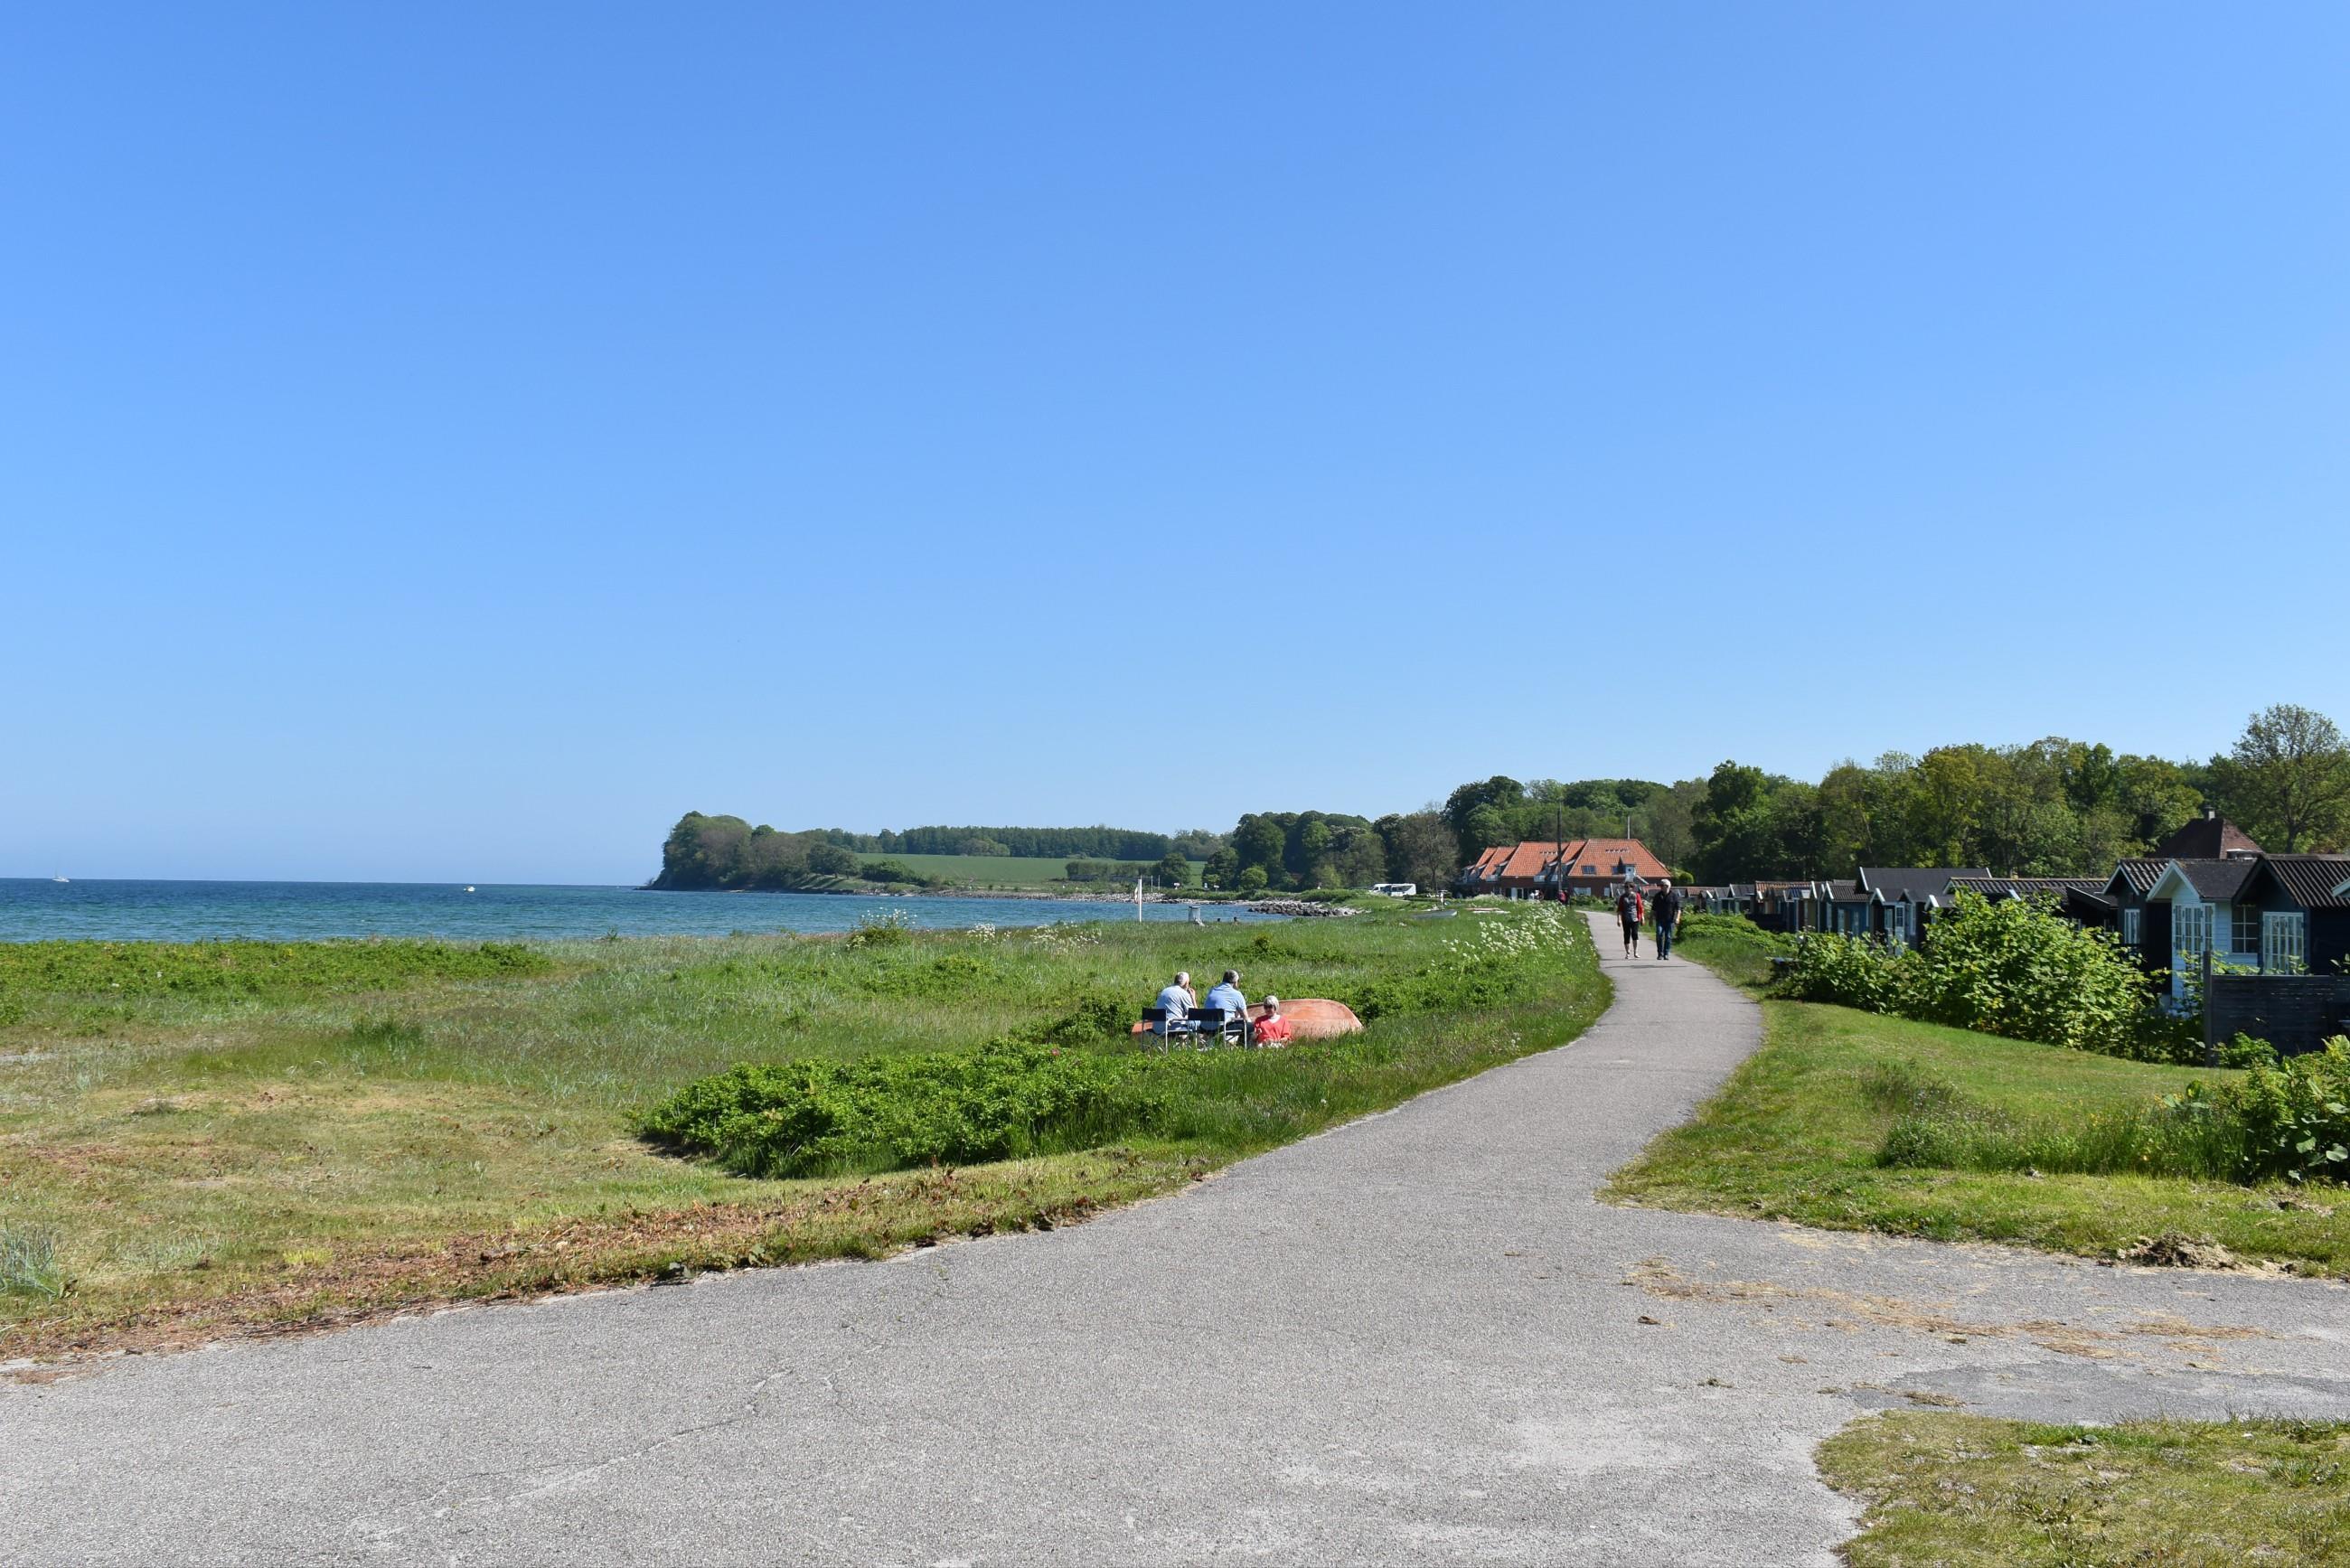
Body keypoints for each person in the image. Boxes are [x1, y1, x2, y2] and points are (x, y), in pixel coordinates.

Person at [1651, 878, 1684, 962]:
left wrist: (1677, 918)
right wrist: (1651, 919)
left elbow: (1678, 909)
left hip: (1670, 920)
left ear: (1667, 886)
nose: (1661, 887)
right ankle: (1660, 953)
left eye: (1662, 885)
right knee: (1659, 935)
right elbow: (1653, 909)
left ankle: (1666, 953)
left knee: (1668, 937)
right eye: (1660, 885)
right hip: (1659, 920)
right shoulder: (1657, 896)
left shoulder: (1674, 896)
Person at [1152, 971, 1195, 1035]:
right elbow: (1194, 1014)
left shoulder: (1163, 991)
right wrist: (1193, 998)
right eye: (1189, 983)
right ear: (1186, 983)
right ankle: (1198, 1040)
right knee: (1195, 1022)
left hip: (1157, 1029)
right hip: (1173, 1029)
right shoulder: (1184, 993)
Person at [1614, 885, 1643, 958]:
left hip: (1635, 919)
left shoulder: (1637, 895)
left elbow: (1640, 907)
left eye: (1628, 887)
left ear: (1632, 888)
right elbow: (1619, 909)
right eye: (1626, 887)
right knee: (1626, 935)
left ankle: (1636, 952)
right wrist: (1619, 919)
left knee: (1635, 934)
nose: (1627, 889)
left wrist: (1642, 917)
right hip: (1626, 919)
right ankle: (1628, 952)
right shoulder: (1622, 897)